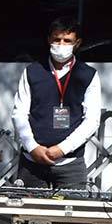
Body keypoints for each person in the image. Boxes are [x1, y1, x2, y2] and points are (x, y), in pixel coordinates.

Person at [12, 18, 101, 189]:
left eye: (67, 41)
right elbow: (19, 113)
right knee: (29, 214)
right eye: (56, 39)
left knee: (72, 214)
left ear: (77, 43)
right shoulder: (32, 72)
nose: (61, 45)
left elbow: (91, 120)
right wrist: (33, 147)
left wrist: (62, 148)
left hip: (70, 164)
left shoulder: (88, 75)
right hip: (32, 162)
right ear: (49, 40)